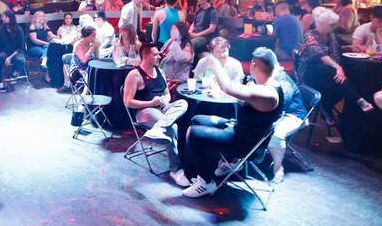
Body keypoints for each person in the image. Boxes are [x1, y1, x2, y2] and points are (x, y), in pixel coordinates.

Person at [182, 47, 286, 198]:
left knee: (193, 133)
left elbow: (227, 87)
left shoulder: (267, 93)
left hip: (244, 143)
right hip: (242, 130)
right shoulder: (268, 85)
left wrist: (214, 63)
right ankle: (227, 162)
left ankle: (206, 182)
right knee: (197, 119)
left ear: (254, 64)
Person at [297, 7, 372, 137]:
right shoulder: (310, 36)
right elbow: (321, 55)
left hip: (328, 76)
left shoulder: (330, 35)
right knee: (332, 72)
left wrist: (350, 47)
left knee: (341, 80)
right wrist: (338, 67)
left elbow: (336, 49)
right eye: (331, 25)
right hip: (310, 74)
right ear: (321, 24)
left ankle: (327, 109)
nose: (335, 26)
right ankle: (357, 99)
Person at [123, 44, 190, 186]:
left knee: (183, 103)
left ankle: (160, 127)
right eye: (155, 54)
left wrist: (165, 99)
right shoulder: (135, 75)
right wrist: (151, 103)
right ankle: (176, 170)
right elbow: (128, 102)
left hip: (162, 108)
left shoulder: (160, 71)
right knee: (172, 128)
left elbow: (167, 94)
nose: (159, 57)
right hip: (145, 110)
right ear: (145, 56)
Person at [269, 65, 308, 183]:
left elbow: (281, 106)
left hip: (293, 115)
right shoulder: (267, 76)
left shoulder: (283, 81)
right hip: (278, 113)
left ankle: (278, 169)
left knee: (277, 134)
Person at [0, 10, 27, 93]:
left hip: (16, 52)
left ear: (10, 18)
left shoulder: (18, 30)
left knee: (21, 60)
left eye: (4, 17)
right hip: (5, 51)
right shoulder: (0, 30)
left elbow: (20, 47)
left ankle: (14, 75)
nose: (3, 19)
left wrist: (9, 58)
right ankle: (0, 82)